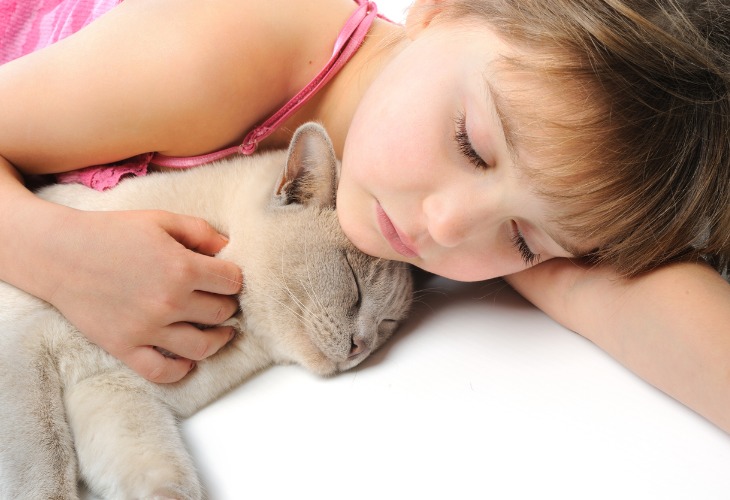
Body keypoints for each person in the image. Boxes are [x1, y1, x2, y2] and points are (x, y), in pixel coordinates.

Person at [1, 0, 728, 432]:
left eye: (524, 242)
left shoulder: (476, 190)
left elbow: (624, 307)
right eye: (470, 146)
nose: (448, 229)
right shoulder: (219, 53)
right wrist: (57, 253)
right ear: (442, 7)